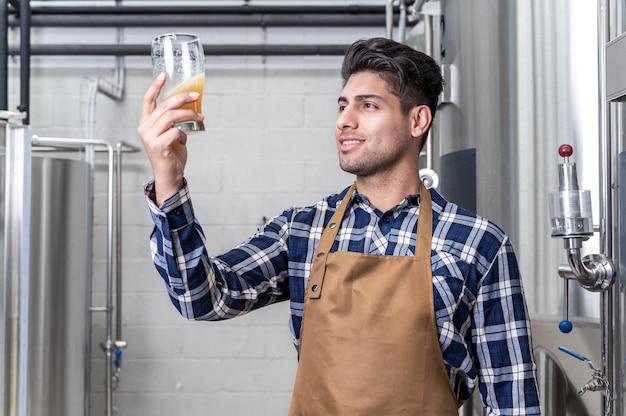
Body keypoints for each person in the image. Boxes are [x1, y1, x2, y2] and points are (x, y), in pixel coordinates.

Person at [138, 37, 541, 415]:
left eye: (367, 106)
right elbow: (202, 299)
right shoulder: (302, 229)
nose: (343, 121)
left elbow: (514, 401)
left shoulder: (478, 244)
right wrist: (169, 181)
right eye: (342, 105)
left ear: (418, 120)